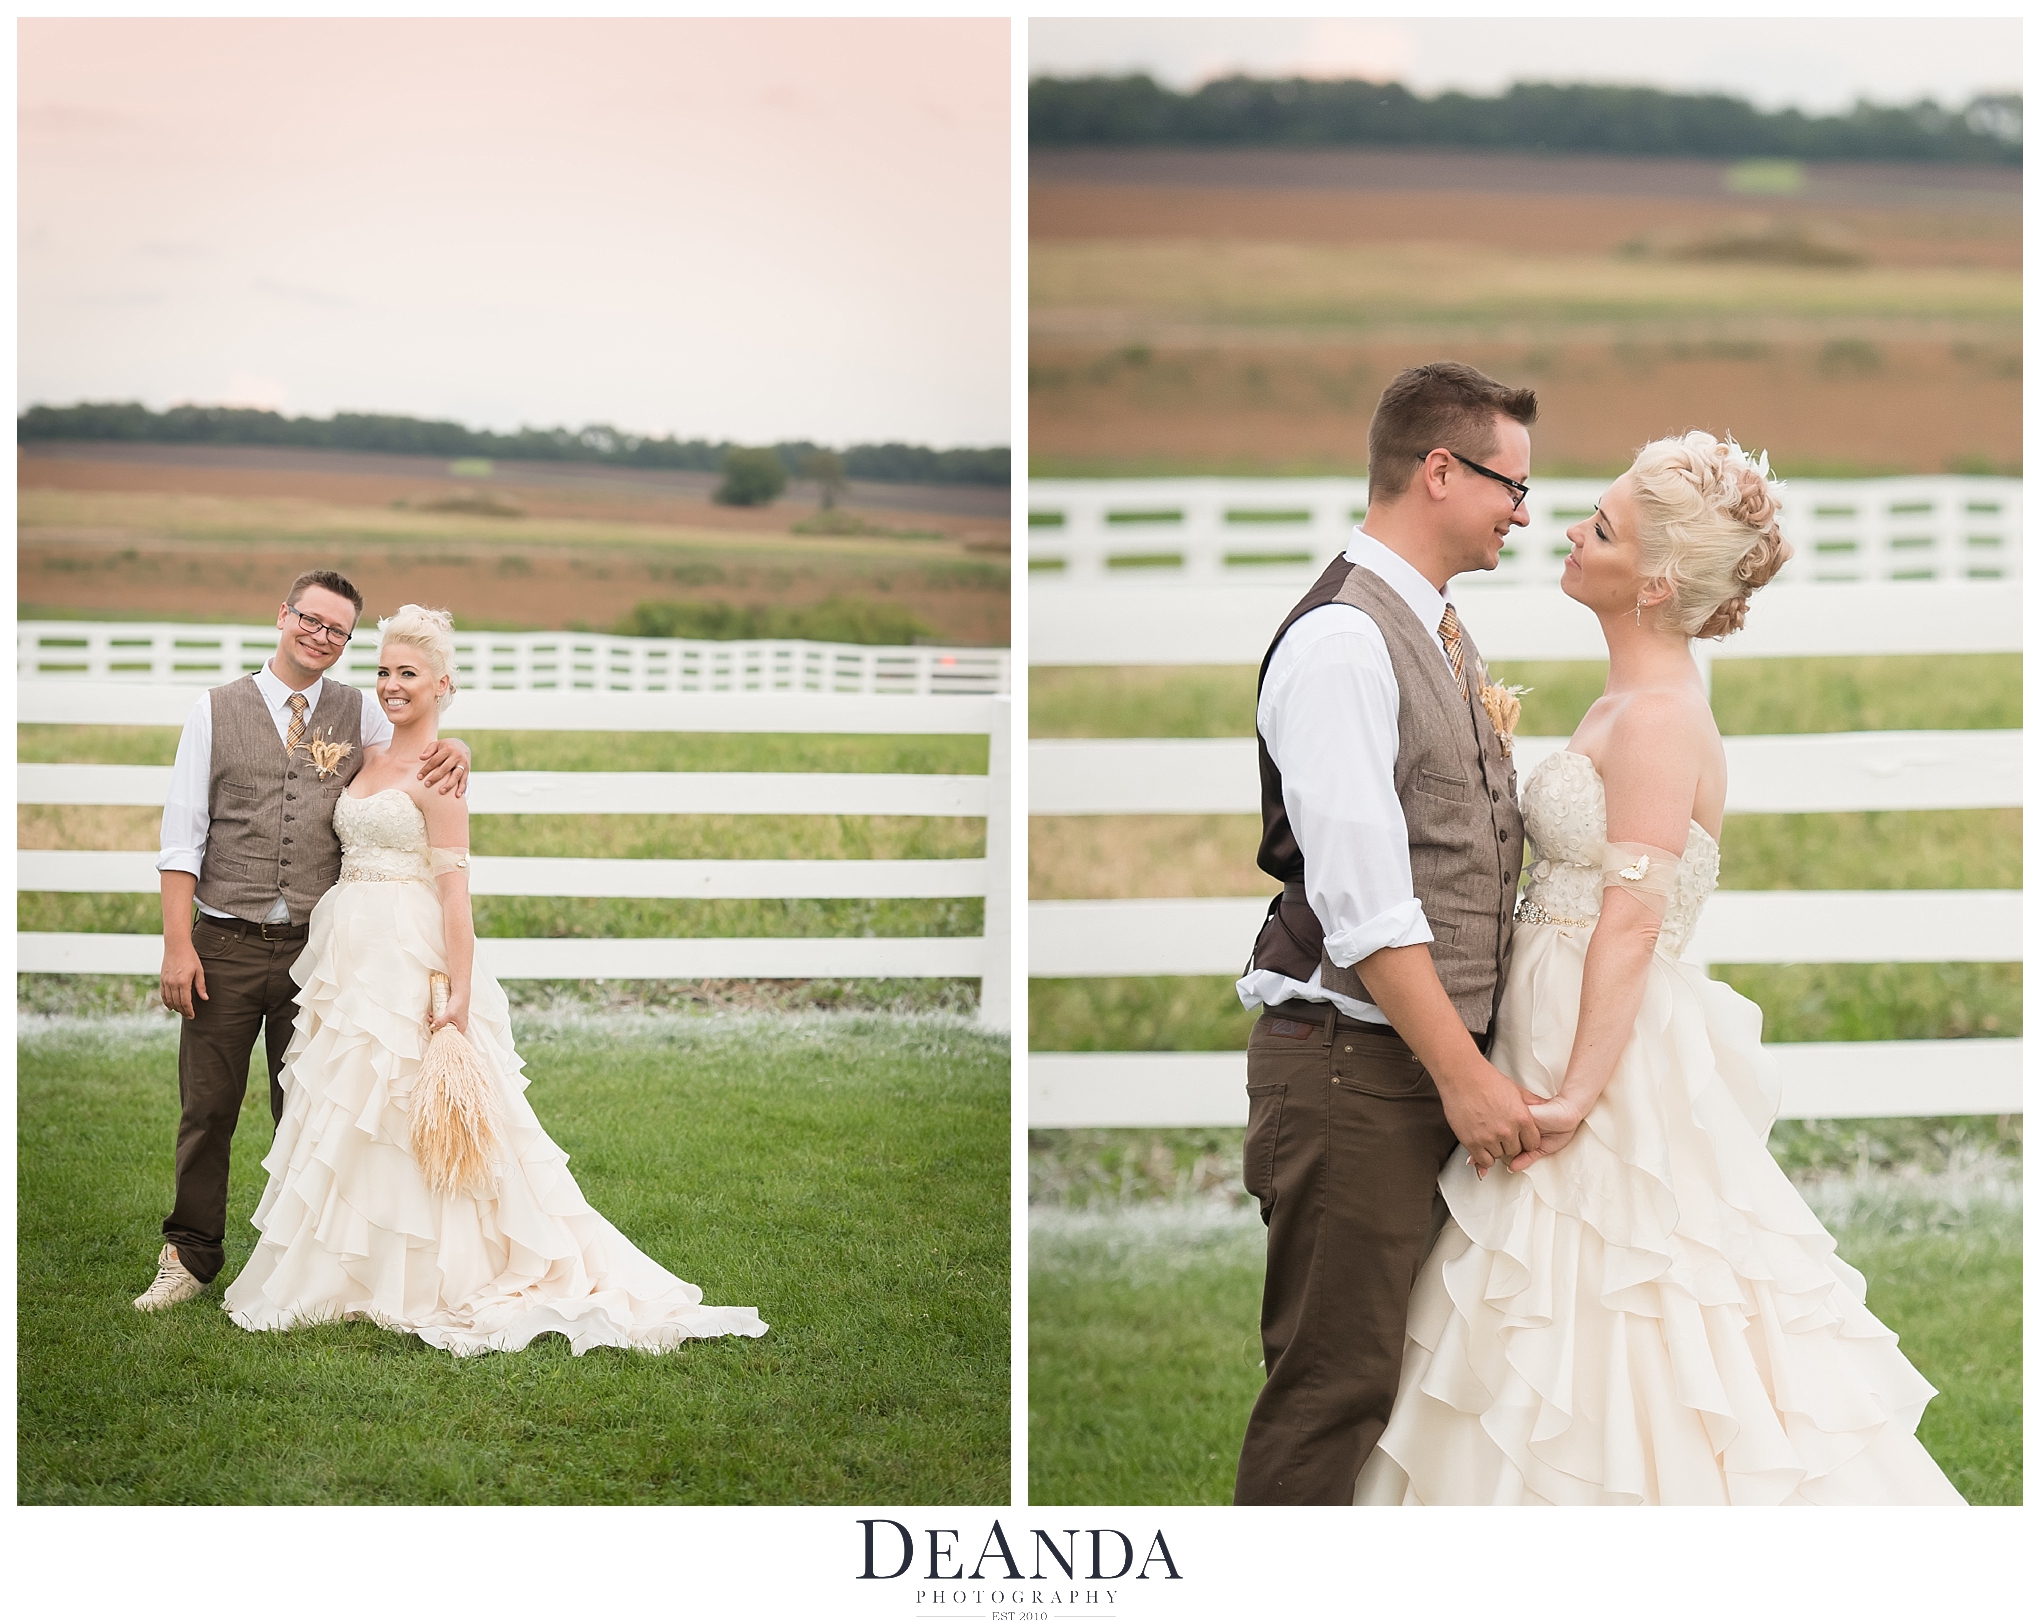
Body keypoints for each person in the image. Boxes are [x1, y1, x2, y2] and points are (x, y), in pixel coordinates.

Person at [1352, 431, 1964, 1504]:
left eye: (1604, 527)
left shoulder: (1661, 716)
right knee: (1535, 1287)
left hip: (1608, 1049)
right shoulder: (1621, 701)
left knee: (1625, 1287)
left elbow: (1632, 922)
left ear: (1660, 580)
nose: (1571, 533)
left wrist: (1579, 1092)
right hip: (1552, 1015)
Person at [219, 605, 767, 1355]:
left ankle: (438, 1271)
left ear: (443, 683)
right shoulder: (365, 755)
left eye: (408, 673)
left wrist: (459, 994)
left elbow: (455, 893)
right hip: (349, 953)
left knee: (413, 1105)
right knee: (353, 1108)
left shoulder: (440, 775)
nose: (390, 684)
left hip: (410, 952)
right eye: (382, 670)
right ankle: (351, 1271)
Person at [1233, 361, 1542, 1503]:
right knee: (1331, 1391)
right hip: (1356, 1071)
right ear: (1439, 471)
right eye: (1512, 485)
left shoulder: (1434, 629)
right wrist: (1463, 1077)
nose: (1523, 512)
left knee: (1404, 1382)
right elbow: (1365, 905)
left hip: (1408, 1066)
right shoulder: (1343, 645)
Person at [137, 570, 471, 1310]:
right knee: (209, 1106)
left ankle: (301, 1259)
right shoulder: (215, 710)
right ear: (282, 616)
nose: (321, 636)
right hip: (221, 941)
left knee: (313, 1108)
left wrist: (463, 749)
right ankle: (188, 1258)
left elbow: (420, 744)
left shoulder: (360, 713)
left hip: (317, 955)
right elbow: (180, 839)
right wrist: (177, 944)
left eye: (337, 630)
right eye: (310, 620)